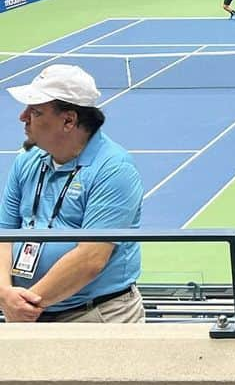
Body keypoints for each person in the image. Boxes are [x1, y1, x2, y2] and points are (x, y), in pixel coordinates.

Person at [1, 65, 144, 324]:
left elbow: (91, 258)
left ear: (69, 120)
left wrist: (26, 304)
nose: (23, 117)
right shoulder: (27, 161)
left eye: (35, 111)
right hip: (24, 313)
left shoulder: (114, 169)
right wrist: (5, 296)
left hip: (96, 315)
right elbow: (3, 235)